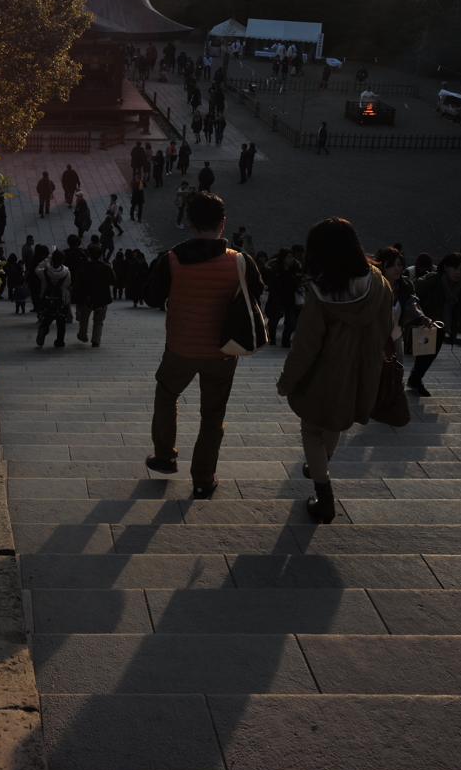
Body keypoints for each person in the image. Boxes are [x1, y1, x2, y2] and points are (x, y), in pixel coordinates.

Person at [146, 191, 263, 497]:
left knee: (166, 394)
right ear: (223, 224)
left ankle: (165, 455)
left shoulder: (171, 259)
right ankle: (203, 478)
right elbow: (258, 292)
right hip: (223, 352)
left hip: (180, 348)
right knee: (213, 415)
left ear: (191, 222)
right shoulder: (241, 261)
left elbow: (152, 298)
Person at [277, 218, 393, 523]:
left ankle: (324, 495)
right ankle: (323, 461)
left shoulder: (321, 294)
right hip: (363, 371)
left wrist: (287, 381)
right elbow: (386, 328)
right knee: (337, 422)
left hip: (325, 375)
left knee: (313, 428)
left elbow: (306, 346)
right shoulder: (379, 282)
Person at [410, 252, 461, 394]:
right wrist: (418, 316)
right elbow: (413, 297)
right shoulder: (432, 280)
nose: (458, 273)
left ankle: (415, 379)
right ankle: (415, 380)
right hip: (425, 322)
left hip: (442, 324)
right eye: (455, 268)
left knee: (431, 354)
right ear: (445, 267)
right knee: (425, 353)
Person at [376, 246, 427, 360]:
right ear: (382, 265)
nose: (397, 269)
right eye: (392, 265)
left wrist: (421, 317)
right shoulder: (376, 285)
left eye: (399, 264)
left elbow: (412, 302)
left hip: (397, 333)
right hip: (376, 336)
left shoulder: (405, 285)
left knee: (398, 369)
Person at [73, 242, 117, 347]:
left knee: (84, 317)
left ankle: (83, 334)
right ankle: (96, 340)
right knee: (98, 320)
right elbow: (113, 281)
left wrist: (77, 298)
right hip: (102, 297)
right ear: (101, 255)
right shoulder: (106, 267)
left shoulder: (84, 267)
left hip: (87, 297)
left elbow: (78, 284)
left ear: (89, 255)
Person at [35, 250, 71, 349]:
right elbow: (68, 284)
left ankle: (43, 329)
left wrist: (47, 259)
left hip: (47, 299)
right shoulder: (66, 272)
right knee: (61, 322)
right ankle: (59, 341)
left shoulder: (45, 272)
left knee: (47, 318)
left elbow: (37, 269)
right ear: (62, 260)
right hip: (61, 300)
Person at [28, 242, 50, 315]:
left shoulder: (35, 259)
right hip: (43, 281)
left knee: (35, 295)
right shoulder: (46, 261)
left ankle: (37, 308)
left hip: (34, 281)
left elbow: (31, 270)